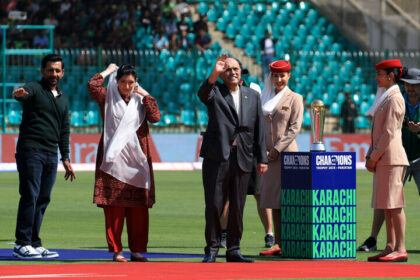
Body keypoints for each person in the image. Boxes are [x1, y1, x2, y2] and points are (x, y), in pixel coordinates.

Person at [87, 64, 161, 263]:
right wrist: (107, 71)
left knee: (138, 209)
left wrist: (145, 94)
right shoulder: (107, 97)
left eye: (131, 83)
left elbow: (155, 117)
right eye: (123, 82)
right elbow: (92, 85)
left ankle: (137, 250)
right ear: (116, 81)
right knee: (115, 208)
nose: (127, 86)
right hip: (114, 160)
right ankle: (117, 250)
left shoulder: (140, 100)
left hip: (138, 159)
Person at [198, 54, 268, 263]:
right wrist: (214, 72)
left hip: (243, 157)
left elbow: (260, 130)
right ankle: (211, 249)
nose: (233, 72)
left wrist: (262, 158)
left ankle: (234, 249)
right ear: (222, 74)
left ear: (241, 72)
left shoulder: (252, 95)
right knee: (214, 204)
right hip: (217, 157)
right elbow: (202, 94)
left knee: (238, 206)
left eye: (236, 69)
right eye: (228, 70)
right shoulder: (215, 92)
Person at [12, 53, 75, 259]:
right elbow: (23, 93)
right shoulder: (34, 87)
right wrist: (19, 94)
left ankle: (34, 242)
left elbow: (64, 129)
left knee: (43, 198)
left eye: (57, 70)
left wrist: (65, 157)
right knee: (30, 195)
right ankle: (21, 243)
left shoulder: (63, 98)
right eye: (50, 70)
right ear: (42, 71)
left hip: (50, 154)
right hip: (30, 150)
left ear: (63, 73)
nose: (53, 74)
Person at [358, 67, 420, 252]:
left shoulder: (394, 99)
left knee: (390, 201)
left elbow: (388, 130)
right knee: (385, 200)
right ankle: (373, 239)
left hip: (416, 157)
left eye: (415, 85)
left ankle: (394, 246)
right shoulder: (396, 97)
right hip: (398, 155)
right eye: (408, 84)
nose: (411, 88)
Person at [219, 72, 274, 249]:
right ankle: (224, 233)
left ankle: (269, 233)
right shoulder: (223, 92)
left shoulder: (254, 90)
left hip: (251, 151)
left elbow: (259, 125)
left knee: (260, 195)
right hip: (234, 151)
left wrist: (261, 156)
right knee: (228, 196)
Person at [258, 60, 304, 256]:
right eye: (275, 76)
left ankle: (292, 240)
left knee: (288, 200)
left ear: (289, 76)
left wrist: (276, 149)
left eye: (282, 76)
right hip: (268, 156)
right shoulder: (264, 97)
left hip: (286, 156)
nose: (279, 79)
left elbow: (294, 128)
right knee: (275, 200)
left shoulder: (295, 98)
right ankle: (278, 242)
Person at [365, 59, 409, 262]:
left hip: (391, 158)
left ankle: (400, 247)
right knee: (387, 205)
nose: (376, 78)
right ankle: (390, 246)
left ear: (390, 76)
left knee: (394, 205)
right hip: (385, 158)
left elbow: (389, 132)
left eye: (380, 74)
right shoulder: (387, 97)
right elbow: (381, 132)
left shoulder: (394, 98)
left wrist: (373, 157)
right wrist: (371, 155)